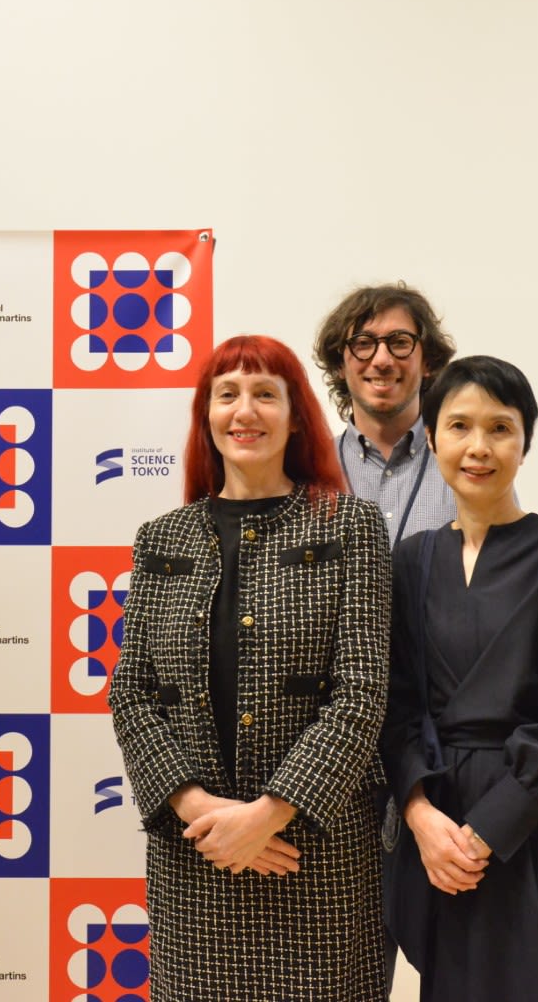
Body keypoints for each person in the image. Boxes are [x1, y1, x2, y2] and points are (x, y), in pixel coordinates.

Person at [107, 334, 391, 1000]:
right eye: (227, 394)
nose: (246, 411)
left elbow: (362, 693)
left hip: (317, 858)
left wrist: (267, 815)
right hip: (196, 854)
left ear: (297, 415)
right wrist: (205, 812)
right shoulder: (162, 537)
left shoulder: (351, 525)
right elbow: (131, 695)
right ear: (205, 414)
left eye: (266, 393)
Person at [378, 356, 538, 1002]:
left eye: (500, 428)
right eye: (459, 426)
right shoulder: (412, 560)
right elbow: (394, 705)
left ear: (525, 442)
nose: (478, 447)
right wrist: (420, 815)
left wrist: (487, 831)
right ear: (431, 438)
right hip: (441, 833)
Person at [313, 281, 459, 546]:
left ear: (428, 361)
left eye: (400, 342)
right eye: (363, 343)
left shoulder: (466, 469)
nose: (382, 360)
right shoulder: (306, 472)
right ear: (339, 366)